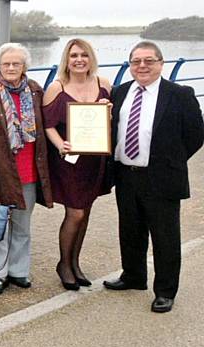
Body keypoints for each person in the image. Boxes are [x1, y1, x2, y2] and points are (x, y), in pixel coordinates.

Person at [103, 41, 204, 313]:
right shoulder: (120, 92)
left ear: (161, 63)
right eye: (136, 61)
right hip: (126, 174)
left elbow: (196, 134)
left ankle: (165, 291)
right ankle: (133, 276)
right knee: (130, 230)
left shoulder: (179, 94)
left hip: (162, 177)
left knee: (165, 237)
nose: (142, 66)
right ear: (130, 65)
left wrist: (170, 159)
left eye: (149, 60)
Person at [0, 43, 53, 296]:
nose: (11, 68)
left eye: (16, 63)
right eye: (6, 63)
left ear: (24, 66)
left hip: (29, 171)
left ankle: (18, 271)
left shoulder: (36, 91)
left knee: (22, 226)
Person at [43, 39, 112, 290]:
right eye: (74, 55)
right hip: (68, 161)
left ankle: (75, 262)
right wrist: (60, 144)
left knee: (86, 212)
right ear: (67, 59)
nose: (79, 59)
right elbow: (47, 123)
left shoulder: (104, 84)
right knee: (76, 213)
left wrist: (108, 109)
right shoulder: (56, 87)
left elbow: (109, 121)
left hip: (95, 160)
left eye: (84, 55)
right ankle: (63, 264)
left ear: (91, 58)